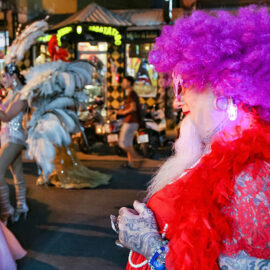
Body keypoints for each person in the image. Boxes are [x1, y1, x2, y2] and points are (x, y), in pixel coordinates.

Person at [111, 6, 270, 270]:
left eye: (183, 86)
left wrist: (154, 249)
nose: (177, 101)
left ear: (224, 89)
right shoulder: (212, 155)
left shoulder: (253, 178)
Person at [0, 64, 28, 224]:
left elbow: (6, 117)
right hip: (6, 137)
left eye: (4, 76)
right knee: (17, 172)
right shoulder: (10, 94)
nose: (2, 80)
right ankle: (22, 206)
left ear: (14, 76)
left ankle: (7, 210)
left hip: (15, 137)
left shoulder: (22, 95)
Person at [117, 76, 142, 168]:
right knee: (128, 143)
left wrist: (122, 112)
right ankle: (131, 163)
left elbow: (133, 108)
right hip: (133, 122)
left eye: (124, 82)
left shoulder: (131, 94)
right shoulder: (132, 94)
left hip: (130, 121)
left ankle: (136, 157)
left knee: (122, 143)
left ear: (128, 83)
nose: (122, 84)